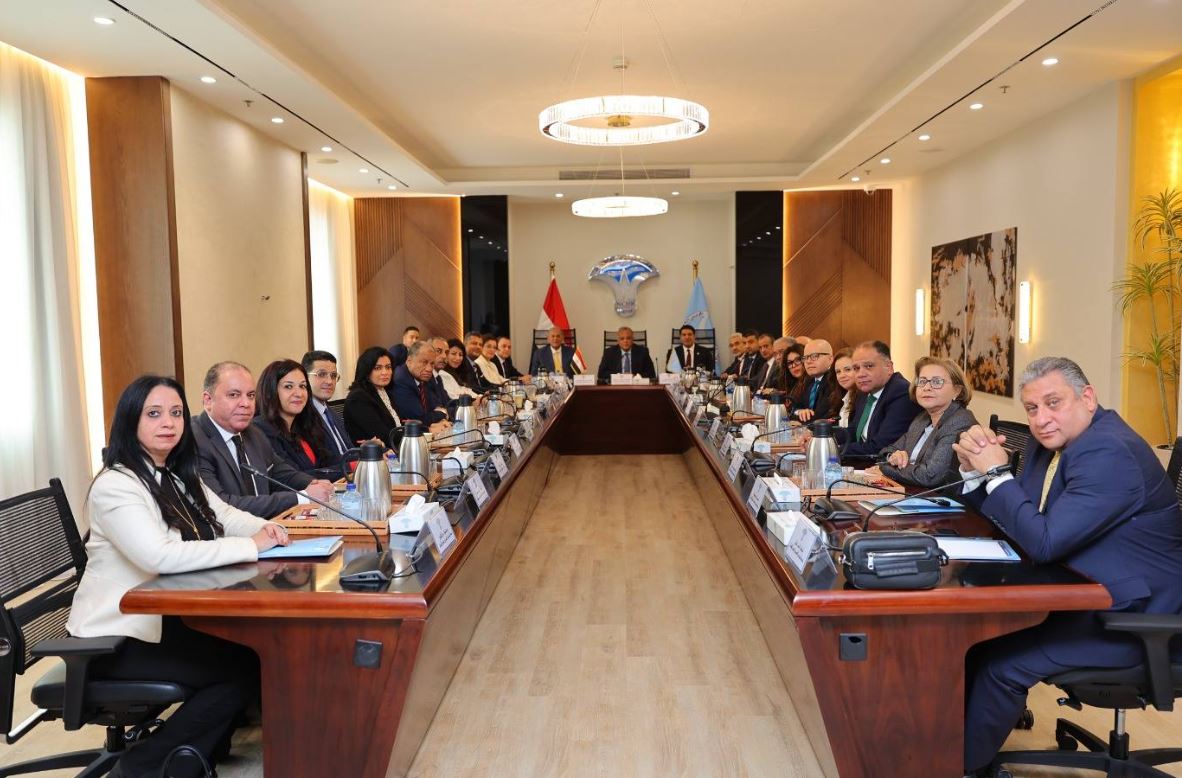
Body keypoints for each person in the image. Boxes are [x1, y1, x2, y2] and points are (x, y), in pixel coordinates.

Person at [953, 357, 1182, 776]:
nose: (1041, 419)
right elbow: (1021, 522)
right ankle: (947, 749)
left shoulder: (1109, 451)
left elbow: (1043, 542)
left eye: (1053, 402)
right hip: (1087, 593)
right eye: (1032, 408)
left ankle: (961, 768)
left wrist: (998, 473)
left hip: (1137, 618)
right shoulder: (1054, 444)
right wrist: (976, 474)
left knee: (1000, 664)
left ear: (1087, 397)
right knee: (973, 641)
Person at [69, 375, 290, 777]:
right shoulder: (116, 485)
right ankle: (141, 767)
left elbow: (223, 515)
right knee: (239, 670)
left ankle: (194, 756)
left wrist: (268, 529)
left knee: (253, 653)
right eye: (153, 414)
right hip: (116, 637)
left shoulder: (171, 472)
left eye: (175, 413)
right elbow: (160, 555)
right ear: (130, 421)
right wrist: (251, 546)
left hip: (161, 620)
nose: (168, 423)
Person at [193, 362, 334, 518]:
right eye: (234, 395)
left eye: (250, 395)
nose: (246, 404)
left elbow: (281, 473)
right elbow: (222, 506)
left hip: (267, 526)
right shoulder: (195, 441)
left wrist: (315, 484)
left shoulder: (253, 433)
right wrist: (302, 497)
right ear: (208, 400)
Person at [876, 356, 977, 488]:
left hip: (941, 497)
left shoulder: (960, 421)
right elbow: (884, 454)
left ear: (957, 391)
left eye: (937, 382)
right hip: (912, 490)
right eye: (922, 381)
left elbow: (930, 476)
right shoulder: (922, 418)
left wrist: (889, 467)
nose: (927, 387)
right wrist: (893, 456)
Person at [254, 359, 343, 480]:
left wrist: (358, 459)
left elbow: (327, 460)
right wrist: (348, 467)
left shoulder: (303, 425)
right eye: (288, 386)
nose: (299, 394)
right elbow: (292, 477)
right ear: (271, 391)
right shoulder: (262, 429)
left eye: (302, 386)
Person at [837, 340, 921, 457]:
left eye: (869, 366)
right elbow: (853, 431)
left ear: (889, 367)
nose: (861, 374)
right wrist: (821, 437)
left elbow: (880, 447)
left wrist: (833, 449)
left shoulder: (901, 392)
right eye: (856, 368)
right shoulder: (865, 391)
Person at [343, 347, 404, 445]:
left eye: (388, 367)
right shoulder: (358, 398)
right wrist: (411, 437)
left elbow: (397, 425)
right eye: (377, 368)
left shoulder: (384, 392)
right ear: (366, 371)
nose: (385, 372)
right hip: (373, 452)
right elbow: (384, 436)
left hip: (394, 447)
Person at [301, 350, 350, 458]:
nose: (329, 381)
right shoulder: (302, 415)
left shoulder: (331, 412)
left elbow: (347, 451)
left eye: (333, 375)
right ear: (304, 377)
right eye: (321, 374)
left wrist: (369, 450)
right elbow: (323, 461)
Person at [393, 341, 452, 429]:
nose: (429, 369)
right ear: (409, 361)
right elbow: (419, 419)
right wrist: (443, 414)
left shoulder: (422, 377)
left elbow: (435, 405)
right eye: (424, 362)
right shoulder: (401, 380)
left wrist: (440, 417)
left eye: (432, 364)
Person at [792, 339, 836, 421]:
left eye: (814, 356)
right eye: (805, 358)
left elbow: (820, 416)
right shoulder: (808, 381)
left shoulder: (834, 381)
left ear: (830, 359)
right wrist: (800, 412)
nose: (808, 361)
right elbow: (794, 408)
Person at [832, 348, 857, 427]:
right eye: (838, 372)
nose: (842, 375)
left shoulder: (864, 399)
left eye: (847, 369)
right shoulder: (840, 398)